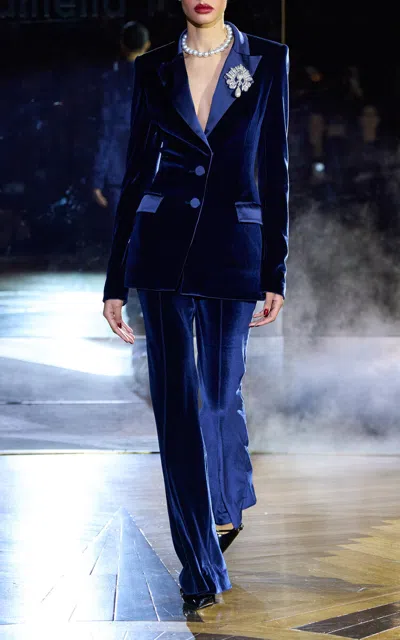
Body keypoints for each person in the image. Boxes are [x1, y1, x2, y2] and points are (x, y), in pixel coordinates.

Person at [102, 0, 289, 611]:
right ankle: (199, 563)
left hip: (234, 247)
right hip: (162, 253)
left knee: (217, 394)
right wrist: (115, 279)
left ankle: (226, 501)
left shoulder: (267, 60)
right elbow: (136, 169)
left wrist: (275, 269)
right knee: (177, 409)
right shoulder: (153, 67)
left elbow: (274, 166)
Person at [92, 21, 151, 220]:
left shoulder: (110, 83)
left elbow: (106, 132)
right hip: (154, 173)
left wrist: (97, 179)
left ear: (122, 45)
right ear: (147, 45)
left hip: (120, 174)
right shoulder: (162, 79)